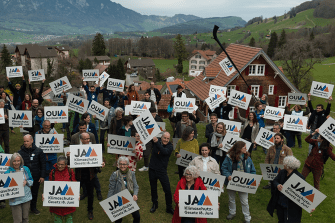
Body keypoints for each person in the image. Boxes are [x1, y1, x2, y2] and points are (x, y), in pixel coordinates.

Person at [67, 132, 105, 220]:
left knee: (91, 194)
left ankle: (90, 211)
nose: (88, 140)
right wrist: (68, 156)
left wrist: (102, 163)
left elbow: (100, 159)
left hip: (90, 175)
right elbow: (69, 163)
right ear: (81, 140)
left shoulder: (93, 147)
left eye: (88, 139)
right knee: (73, 192)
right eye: (86, 139)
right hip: (79, 175)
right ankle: (68, 210)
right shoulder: (76, 148)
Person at [267, 156, 315, 222]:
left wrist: (310, 206)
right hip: (280, 204)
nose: (283, 164)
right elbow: (275, 181)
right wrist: (278, 185)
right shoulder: (282, 172)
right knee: (280, 220)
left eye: (284, 163)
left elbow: (305, 193)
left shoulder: (299, 177)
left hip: (291, 208)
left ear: (288, 166)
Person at [221, 141, 256, 223]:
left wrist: (253, 179)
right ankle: (232, 213)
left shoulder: (248, 158)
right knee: (231, 199)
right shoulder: (229, 157)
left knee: (244, 201)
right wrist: (228, 175)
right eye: (244, 147)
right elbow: (224, 168)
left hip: (243, 183)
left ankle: (247, 217)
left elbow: (253, 170)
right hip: (231, 182)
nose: (246, 149)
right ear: (239, 148)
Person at [18, 134, 46, 215]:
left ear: (32, 141)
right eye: (24, 141)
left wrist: (42, 176)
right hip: (24, 178)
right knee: (23, 193)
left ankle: (33, 208)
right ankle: (23, 209)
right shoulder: (20, 153)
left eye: (27, 141)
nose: (25, 143)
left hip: (36, 176)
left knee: (34, 193)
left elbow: (43, 164)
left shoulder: (39, 151)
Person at [107, 156, 140, 223]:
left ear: (127, 165)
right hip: (119, 199)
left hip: (130, 198)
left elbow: (136, 186)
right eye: (120, 164)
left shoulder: (132, 174)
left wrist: (135, 195)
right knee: (118, 219)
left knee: (137, 216)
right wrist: (108, 204)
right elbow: (111, 189)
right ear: (118, 165)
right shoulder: (115, 175)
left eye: (124, 164)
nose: (122, 166)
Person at [45, 155, 76, 222]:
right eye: (58, 164)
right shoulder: (52, 172)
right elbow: (49, 186)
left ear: (65, 164)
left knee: (69, 219)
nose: (60, 166)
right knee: (57, 219)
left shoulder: (70, 172)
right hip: (56, 204)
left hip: (68, 203)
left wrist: (76, 195)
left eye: (62, 164)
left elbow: (74, 184)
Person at [148, 132, 174, 214]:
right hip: (152, 169)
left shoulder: (170, 146)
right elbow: (147, 136)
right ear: (161, 137)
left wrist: (156, 143)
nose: (166, 140)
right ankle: (155, 204)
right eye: (164, 138)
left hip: (162, 171)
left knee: (167, 190)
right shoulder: (156, 141)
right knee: (153, 188)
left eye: (167, 138)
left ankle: (169, 207)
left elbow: (164, 152)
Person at [5, 153, 33, 223]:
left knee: (25, 218)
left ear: (21, 161)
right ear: (11, 162)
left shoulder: (26, 169)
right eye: (14, 161)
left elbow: (31, 181)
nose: (16, 163)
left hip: (26, 197)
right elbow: (5, 188)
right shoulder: (7, 172)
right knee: (18, 220)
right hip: (14, 200)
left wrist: (26, 182)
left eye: (18, 161)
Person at [139, 107, 163, 172]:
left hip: (156, 138)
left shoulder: (159, 119)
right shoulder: (145, 119)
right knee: (146, 153)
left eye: (154, 113)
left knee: (156, 152)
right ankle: (146, 166)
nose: (153, 115)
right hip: (148, 138)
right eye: (152, 114)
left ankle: (156, 165)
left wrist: (163, 130)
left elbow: (162, 127)